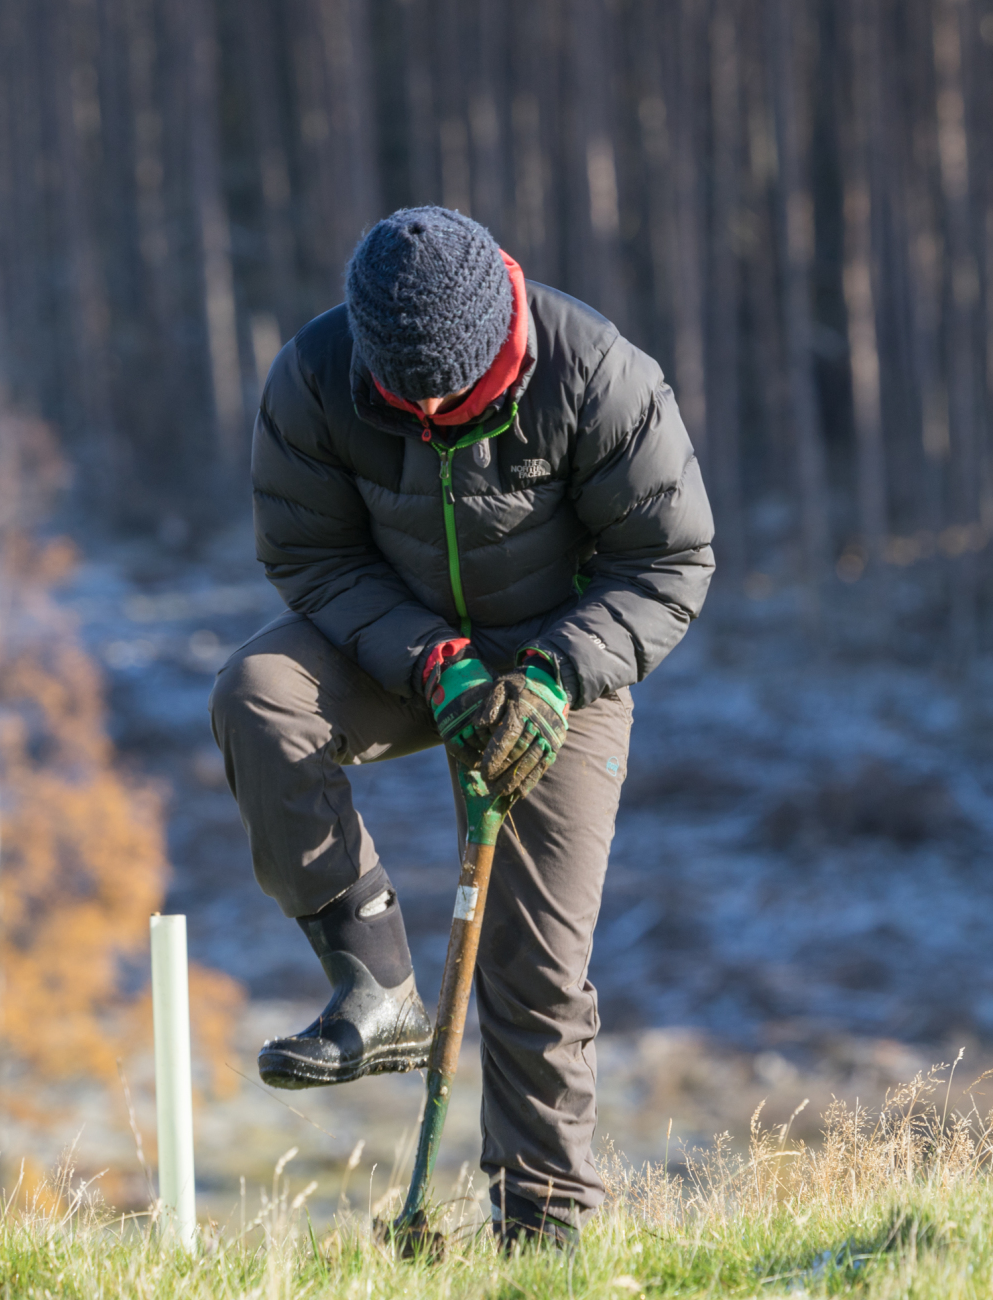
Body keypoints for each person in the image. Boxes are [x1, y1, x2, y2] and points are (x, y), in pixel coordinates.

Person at [209, 205, 713, 1249]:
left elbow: (670, 561)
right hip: (406, 647)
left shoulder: (599, 376)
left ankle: (545, 1232)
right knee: (258, 693)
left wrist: (555, 676)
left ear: (501, 335)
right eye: (407, 391)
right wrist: (433, 659)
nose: (431, 404)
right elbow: (309, 557)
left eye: (454, 387)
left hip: (556, 670)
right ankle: (374, 979)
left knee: (532, 964)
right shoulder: (318, 376)